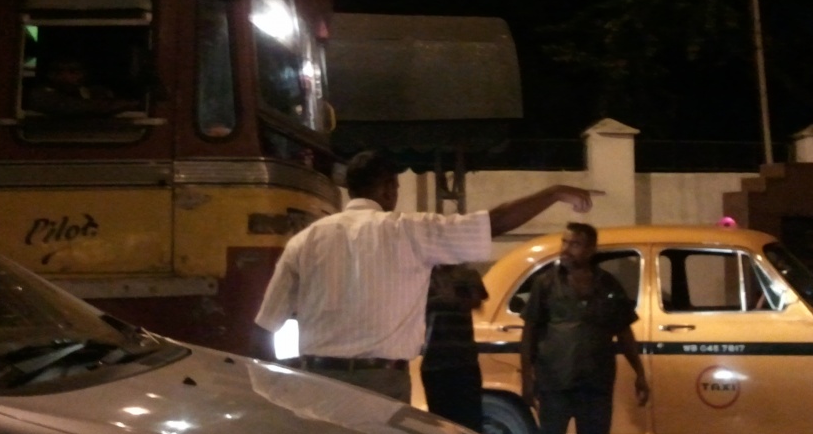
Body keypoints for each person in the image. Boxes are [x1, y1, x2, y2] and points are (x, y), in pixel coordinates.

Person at [253, 149, 601, 403]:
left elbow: (263, 329)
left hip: (316, 383)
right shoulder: (408, 231)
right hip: (381, 385)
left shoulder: (304, 241)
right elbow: (493, 223)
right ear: (388, 188)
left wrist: (273, 392)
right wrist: (553, 193)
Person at [520, 221, 650, 434]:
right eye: (564, 242)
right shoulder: (545, 284)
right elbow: (529, 333)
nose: (566, 249)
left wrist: (640, 373)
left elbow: (624, 332)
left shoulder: (607, 285)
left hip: (596, 383)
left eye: (575, 244)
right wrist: (527, 377)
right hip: (556, 382)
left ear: (590, 250)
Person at [420, 263, 488, 432]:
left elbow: (477, 301)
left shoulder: (466, 273)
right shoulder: (424, 275)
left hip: (462, 362)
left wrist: (451, 298)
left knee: (470, 424)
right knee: (441, 424)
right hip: (436, 361)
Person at [25, 56, 138, 116]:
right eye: (58, 71)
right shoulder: (39, 95)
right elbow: (74, 107)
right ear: (49, 74)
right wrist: (128, 104)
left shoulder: (94, 92)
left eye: (73, 71)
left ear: (85, 74)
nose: (65, 76)